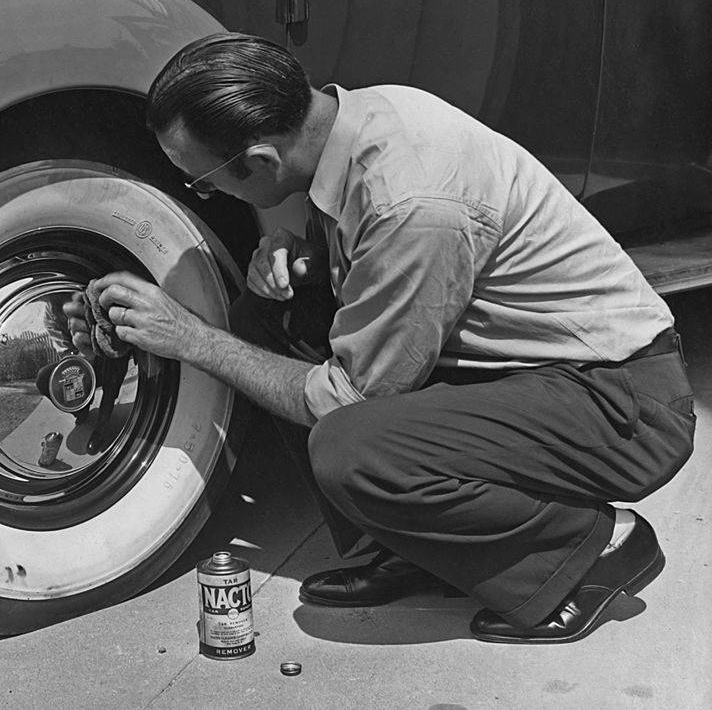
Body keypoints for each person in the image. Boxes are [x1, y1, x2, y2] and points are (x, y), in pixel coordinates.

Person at [64, 32, 695, 643]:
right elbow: (388, 259)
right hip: (529, 371)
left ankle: (590, 551)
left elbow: (349, 397)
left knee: (351, 447)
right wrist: (307, 256)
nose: (202, 193)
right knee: (269, 320)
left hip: (620, 402)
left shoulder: (411, 202)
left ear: (261, 160)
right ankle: (415, 550)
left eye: (203, 181)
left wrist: (193, 339)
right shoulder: (354, 120)